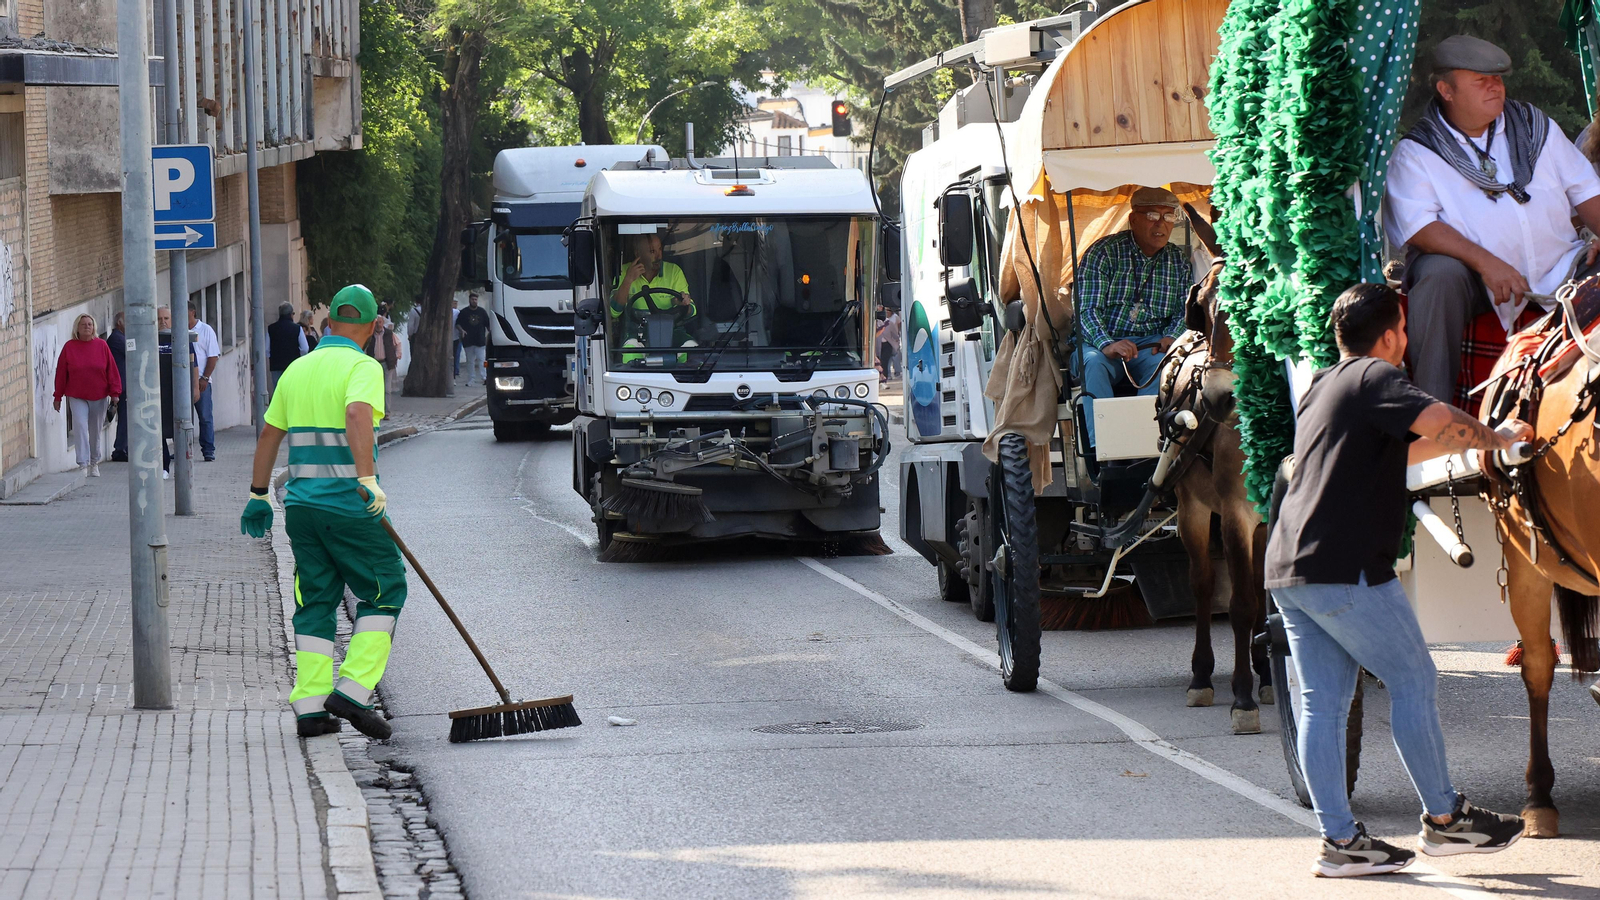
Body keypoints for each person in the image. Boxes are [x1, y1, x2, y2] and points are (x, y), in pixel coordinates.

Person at [1266, 283, 1531, 878]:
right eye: (1404, 331)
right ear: (1389, 336)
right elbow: (1438, 421)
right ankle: (1446, 819)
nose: (1406, 340)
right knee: (1413, 678)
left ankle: (1341, 844)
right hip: (1346, 567)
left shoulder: (1323, 387)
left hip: (1290, 566)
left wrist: (1479, 453)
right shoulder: (1376, 377)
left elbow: (1399, 455)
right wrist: (1500, 439)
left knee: (1323, 706)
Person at [1385, 35, 1600, 402]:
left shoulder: (1535, 127)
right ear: (1446, 90)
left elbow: (1586, 191)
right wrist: (1487, 263)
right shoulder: (1418, 151)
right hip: (1475, 282)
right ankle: (1431, 413)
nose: (1494, 86)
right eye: (1480, 80)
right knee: (1437, 274)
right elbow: (1419, 228)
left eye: (1498, 78)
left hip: (1561, 267)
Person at [241, 284, 404, 740]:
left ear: (329, 322)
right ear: (373, 327)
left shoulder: (298, 368)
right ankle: (353, 690)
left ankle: (311, 708)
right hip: (348, 505)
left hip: (302, 508)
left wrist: (258, 494)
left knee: (315, 601)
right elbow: (356, 415)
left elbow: (269, 435)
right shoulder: (362, 367)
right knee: (386, 588)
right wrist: (367, 479)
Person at [1074, 186, 1193, 446]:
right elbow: (1086, 309)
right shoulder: (1103, 252)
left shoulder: (1178, 261)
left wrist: (1171, 337)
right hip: (1101, 343)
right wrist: (1107, 344)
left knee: (1167, 365)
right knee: (1092, 363)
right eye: (1152, 216)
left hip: (1150, 345)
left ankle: (1147, 445)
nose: (1161, 224)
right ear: (1133, 219)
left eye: (1168, 216)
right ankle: (1104, 449)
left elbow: (1184, 310)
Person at [610, 233, 698, 361]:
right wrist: (628, 279)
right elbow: (614, 312)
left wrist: (683, 304)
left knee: (692, 350)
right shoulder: (624, 272)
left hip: (672, 330)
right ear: (637, 253)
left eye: (659, 249)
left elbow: (692, 311)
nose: (658, 256)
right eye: (652, 251)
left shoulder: (674, 271)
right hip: (637, 331)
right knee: (630, 352)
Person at [52, 313, 121, 477]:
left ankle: (94, 462)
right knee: (80, 427)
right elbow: (61, 373)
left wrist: (115, 393)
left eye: (90, 324)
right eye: (83, 324)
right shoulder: (69, 347)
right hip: (77, 395)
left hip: (99, 395)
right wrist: (58, 396)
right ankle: (83, 464)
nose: (87, 327)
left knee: (95, 430)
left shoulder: (102, 345)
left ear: (94, 327)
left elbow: (111, 370)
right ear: (77, 328)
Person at [157, 307, 200, 479]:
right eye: (159, 318)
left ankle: (183, 468)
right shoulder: (151, 338)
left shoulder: (182, 338)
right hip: (159, 393)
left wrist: (195, 388)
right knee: (159, 430)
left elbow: (193, 364)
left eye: (166, 318)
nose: (163, 322)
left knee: (180, 429)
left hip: (178, 391)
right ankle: (164, 467)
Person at [188, 301, 221, 461]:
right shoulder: (177, 329)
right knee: (182, 419)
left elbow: (213, 356)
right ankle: (183, 449)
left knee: (205, 417)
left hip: (201, 381)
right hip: (182, 382)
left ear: (193, 312)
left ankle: (208, 450)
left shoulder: (206, 330)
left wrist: (205, 378)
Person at [268, 302, 309, 392]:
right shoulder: (297, 328)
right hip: (293, 365)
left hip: (276, 366)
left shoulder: (271, 328)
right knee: (292, 391)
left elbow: (267, 350)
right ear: (291, 314)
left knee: (278, 392)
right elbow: (305, 348)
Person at [455, 292, 491, 387]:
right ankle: (471, 379)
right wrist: (462, 330)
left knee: (482, 360)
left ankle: (484, 377)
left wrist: (490, 336)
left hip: (480, 340)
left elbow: (488, 325)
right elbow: (458, 324)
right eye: (472, 299)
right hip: (468, 340)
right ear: (469, 300)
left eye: (475, 299)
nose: (474, 301)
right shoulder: (464, 312)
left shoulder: (482, 312)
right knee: (470, 361)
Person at [109, 311, 129, 462]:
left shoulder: (121, 337)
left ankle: (123, 447)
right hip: (121, 385)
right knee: (124, 418)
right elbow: (133, 353)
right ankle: (120, 449)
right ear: (120, 323)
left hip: (123, 384)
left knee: (126, 417)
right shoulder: (117, 338)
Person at [367, 313, 401, 395]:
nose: (378, 325)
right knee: (375, 387)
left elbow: (398, 343)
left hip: (387, 362)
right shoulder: (370, 334)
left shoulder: (389, 333)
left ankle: (387, 403)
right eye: (376, 323)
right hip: (374, 363)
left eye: (380, 322)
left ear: (383, 323)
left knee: (387, 389)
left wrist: (396, 355)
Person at [877, 309, 903, 383]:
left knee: (885, 361)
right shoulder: (876, 323)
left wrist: (896, 341)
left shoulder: (889, 323)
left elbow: (895, 334)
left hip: (887, 345)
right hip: (878, 345)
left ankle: (884, 378)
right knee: (879, 361)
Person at [450, 298, 461, 380]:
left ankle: (455, 371)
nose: (455, 305)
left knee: (456, 355)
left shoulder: (457, 312)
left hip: (456, 337)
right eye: (454, 303)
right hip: (455, 337)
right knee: (455, 355)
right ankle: (455, 371)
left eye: (456, 303)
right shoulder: (457, 312)